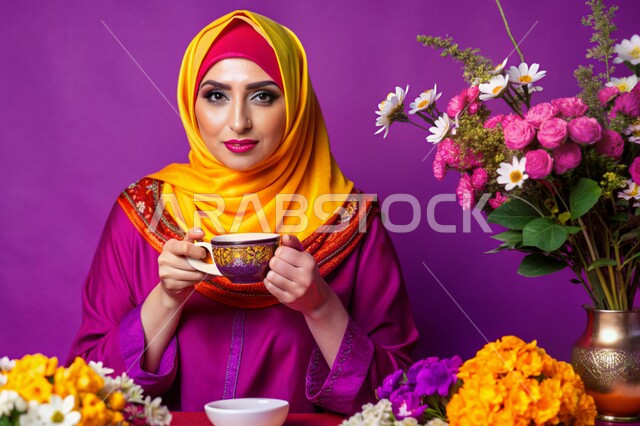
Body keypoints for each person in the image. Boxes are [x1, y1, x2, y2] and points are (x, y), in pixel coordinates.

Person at [66, 9, 419, 415]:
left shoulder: (349, 221)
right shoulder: (142, 213)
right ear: (189, 102)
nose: (238, 122)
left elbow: (401, 401)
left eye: (263, 96)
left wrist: (321, 308)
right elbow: (90, 396)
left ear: (296, 104)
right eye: (216, 95)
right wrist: (165, 300)